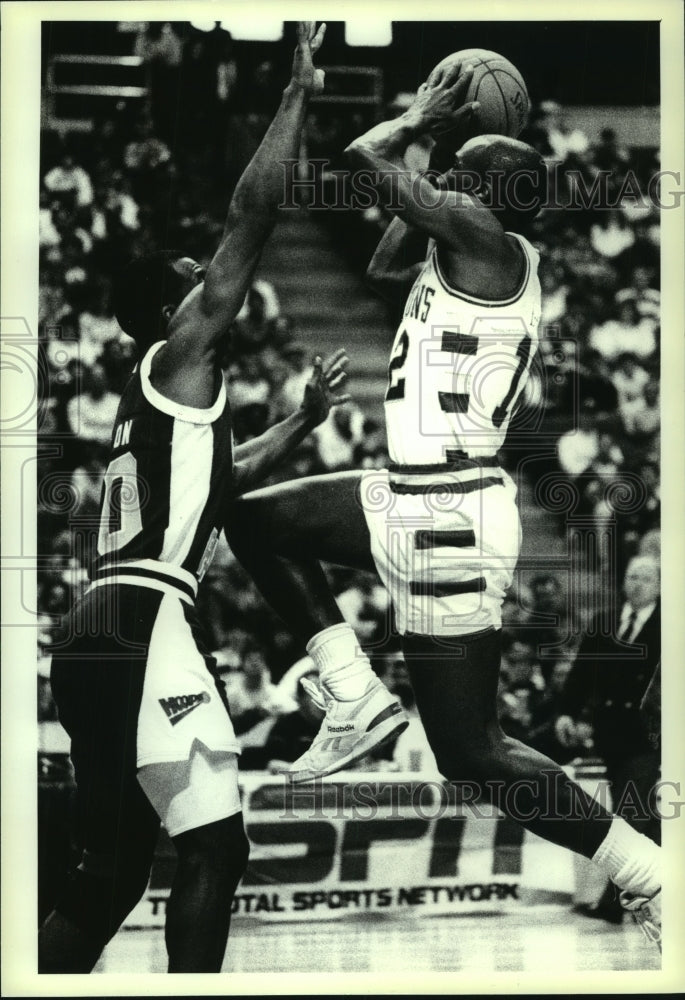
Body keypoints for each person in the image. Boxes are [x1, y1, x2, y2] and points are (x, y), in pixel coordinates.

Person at [225, 62, 661, 948]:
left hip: (448, 509)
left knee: (475, 753)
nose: (445, 179)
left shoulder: (483, 237)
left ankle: (648, 874)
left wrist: (417, 118)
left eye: (462, 172)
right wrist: (431, 178)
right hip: (419, 494)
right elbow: (389, 256)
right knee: (252, 516)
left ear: (483, 193)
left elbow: (361, 155)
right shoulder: (470, 243)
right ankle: (352, 695)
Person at [38, 23, 345, 974]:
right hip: (143, 620)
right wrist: (295, 98)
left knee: (113, 872)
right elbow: (248, 221)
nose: (211, 285)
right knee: (217, 843)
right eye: (192, 281)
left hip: (94, 628)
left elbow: (217, 482)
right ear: (170, 309)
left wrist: (299, 424)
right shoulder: (178, 352)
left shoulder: (164, 401)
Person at [557, 555, 661, 923]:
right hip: (612, 735)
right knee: (641, 817)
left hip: (651, 738)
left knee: (633, 816)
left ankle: (615, 902)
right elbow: (582, 672)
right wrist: (567, 710)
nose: (637, 584)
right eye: (632, 576)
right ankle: (655, 894)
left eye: (646, 578)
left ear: (661, 584)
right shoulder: (604, 622)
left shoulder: (670, 623)